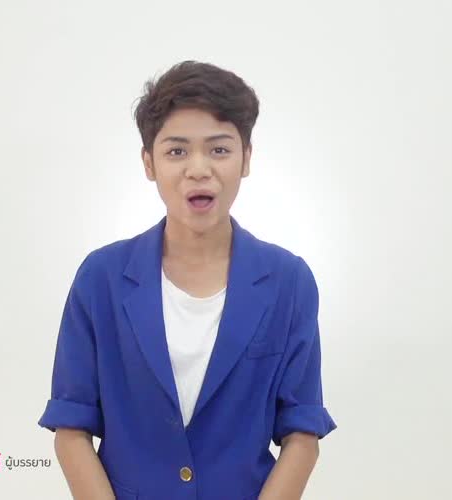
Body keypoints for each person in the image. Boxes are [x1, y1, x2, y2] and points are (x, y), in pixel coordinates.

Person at [38, 60, 337, 500]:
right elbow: (71, 428)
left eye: (219, 150)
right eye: (177, 151)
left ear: (246, 158)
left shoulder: (289, 281)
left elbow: (302, 433)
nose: (199, 168)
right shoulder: (101, 278)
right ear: (149, 163)